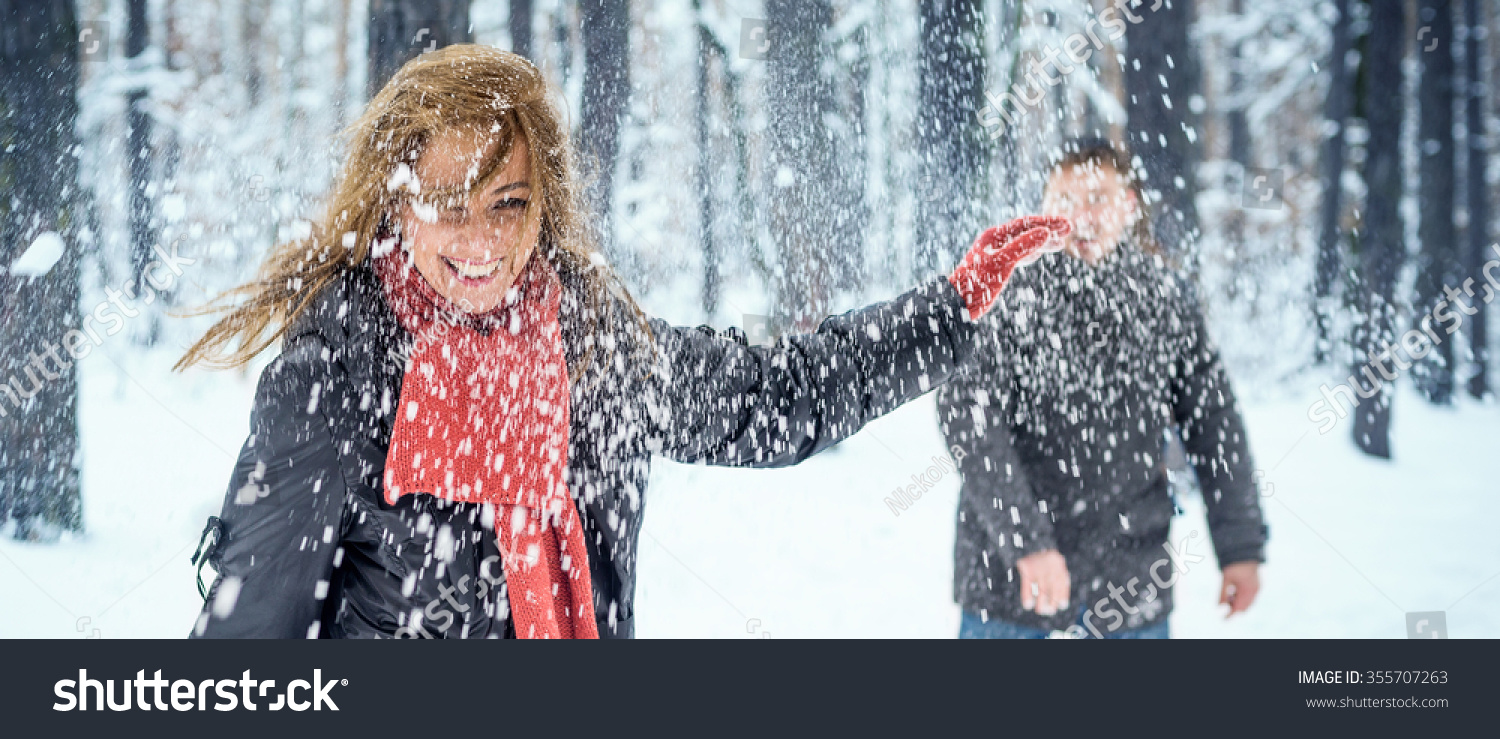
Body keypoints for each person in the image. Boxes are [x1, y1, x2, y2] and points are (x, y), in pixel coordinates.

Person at [179, 45, 1070, 639]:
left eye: (507, 203)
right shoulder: (342, 366)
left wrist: (947, 310)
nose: (480, 241)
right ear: (396, 199)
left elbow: (777, 397)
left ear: (544, 205)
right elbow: (250, 620)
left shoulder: (594, 341)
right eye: (448, 204)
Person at [937, 139, 1267, 639]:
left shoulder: (1164, 296)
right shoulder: (1009, 293)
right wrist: (1028, 543)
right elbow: (969, 417)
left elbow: (1213, 422)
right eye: (1064, 200)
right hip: (1011, 591)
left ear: (1129, 204)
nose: (1080, 216)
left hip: (1131, 586)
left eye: (1096, 197)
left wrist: (1240, 545)